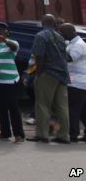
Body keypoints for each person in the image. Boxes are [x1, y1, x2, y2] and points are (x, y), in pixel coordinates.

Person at [30, 14, 70, 143]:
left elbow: (39, 56)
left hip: (48, 73)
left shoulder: (40, 36)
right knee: (62, 107)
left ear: (42, 22)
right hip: (62, 74)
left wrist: (38, 73)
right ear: (54, 23)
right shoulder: (60, 36)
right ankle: (63, 135)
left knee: (42, 105)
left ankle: (43, 134)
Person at [60, 24, 86, 142]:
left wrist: (57, 49)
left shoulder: (79, 45)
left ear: (72, 32)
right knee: (82, 110)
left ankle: (73, 135)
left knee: (73, 109)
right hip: (77, 81)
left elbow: (70, 58)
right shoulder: (72, 43)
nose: (62, 34)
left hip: (77, 82)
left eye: (63, 32)